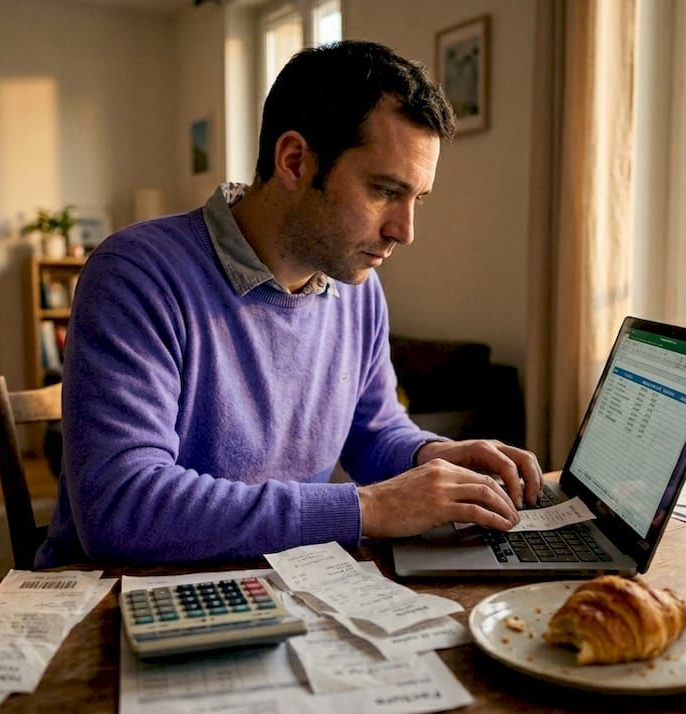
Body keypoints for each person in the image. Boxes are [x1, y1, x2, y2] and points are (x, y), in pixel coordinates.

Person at [36, 40, 542, 568]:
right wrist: (366, 507)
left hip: (285, 581)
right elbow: (122, 508)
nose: (404, 231)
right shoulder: (137, 275)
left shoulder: (359, 289)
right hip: (118, 597)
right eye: (384, 191)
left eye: (417, 199)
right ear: (295, 161)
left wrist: (429, 456)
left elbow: (373, 430)